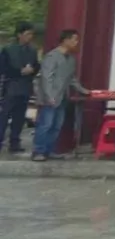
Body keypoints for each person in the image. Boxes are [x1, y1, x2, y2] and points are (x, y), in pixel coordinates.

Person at [33, 29, 88, 161]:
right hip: (50, 97)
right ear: (66, 40)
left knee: (57, 125)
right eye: (74, 39)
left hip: (63, 96)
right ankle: (38, 151)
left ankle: (49, 150)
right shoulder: (52, 56)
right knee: (45, 124)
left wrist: (83, 90)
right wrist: (49, 96)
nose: (76, 42)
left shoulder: (70, 59)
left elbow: (71, 78)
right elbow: (46, 78)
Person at [0, 21, 40, 153]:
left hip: (25, 86)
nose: (30, 37)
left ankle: (15, 142)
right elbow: (3, 68)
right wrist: (19, 71)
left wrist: (32, 70)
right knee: (4, 115)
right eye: (27, 34)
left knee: (20, 116)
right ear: (19, 35)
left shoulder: (33, 50)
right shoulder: (8, 49)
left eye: (31, 34)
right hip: (11, 85)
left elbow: (36, 65)